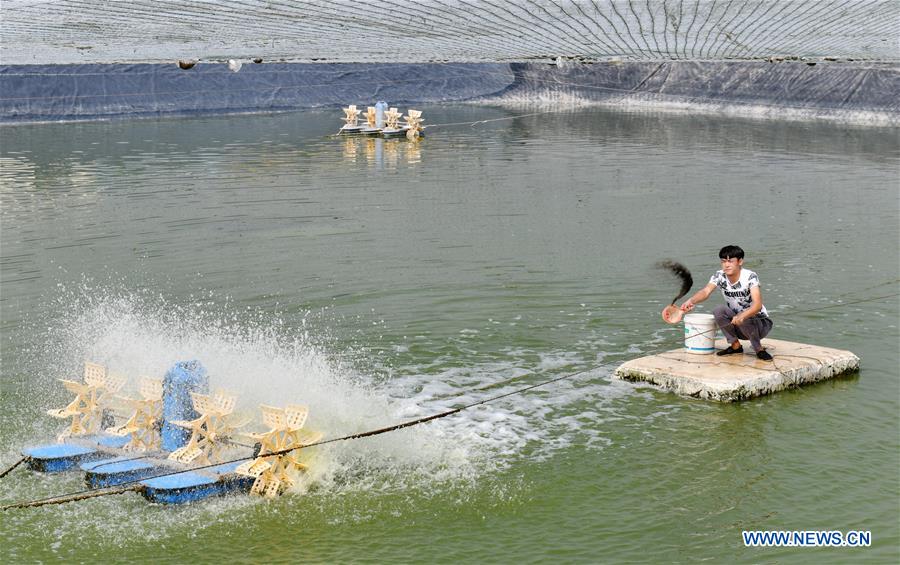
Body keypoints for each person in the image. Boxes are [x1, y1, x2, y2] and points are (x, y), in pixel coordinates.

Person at [680, 245, 774, 361]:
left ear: (740, 261)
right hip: (736, 322)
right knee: (718, 310)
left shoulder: (750, 276)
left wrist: (742, 315)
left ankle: (759, 349)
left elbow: (757, 305)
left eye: (730, 261)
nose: (726, 265)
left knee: (746, 315)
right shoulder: (719, 276)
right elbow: (706, 291)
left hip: (760, 323)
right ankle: (735, 346)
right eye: (723, 261)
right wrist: (691, 301)